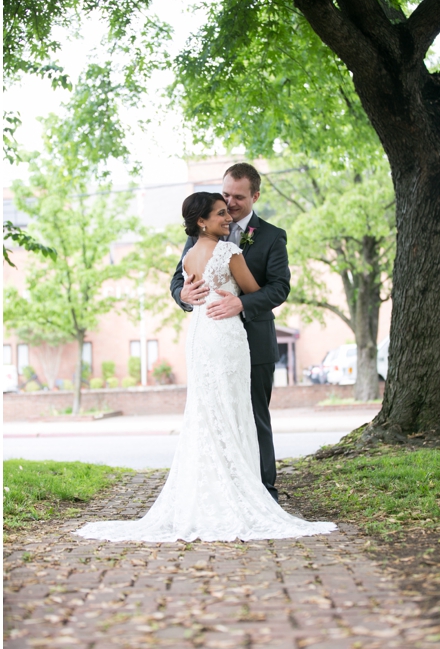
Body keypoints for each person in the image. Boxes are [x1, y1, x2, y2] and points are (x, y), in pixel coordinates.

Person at [76, 193, 335, 542]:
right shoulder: (229, 251)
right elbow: (253, 289)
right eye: (220, 212)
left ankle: (210, 492)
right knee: (232, 410)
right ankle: (240, 492)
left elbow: (193, 281)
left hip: (200, 336)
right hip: (225, 335)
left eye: (230, 208)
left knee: (206, 412)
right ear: (202, 221)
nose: (228, 215)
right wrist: (230, 297)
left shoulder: (190, 255)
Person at [171, 163, 286, 503]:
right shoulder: (198, 238)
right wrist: (183, 295)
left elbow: (279, 288)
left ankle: (264, 491)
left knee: (253, 415)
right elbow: (180, 278)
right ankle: (225, 489)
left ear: (255, 196)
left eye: (238, 197)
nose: (231, 203)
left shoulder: (272, 236)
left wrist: (242, 303)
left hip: (254, 337)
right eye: (225, 195)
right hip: (211, 337)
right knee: (214, 412)